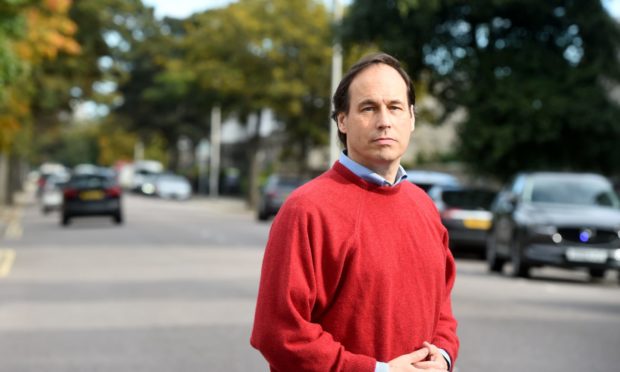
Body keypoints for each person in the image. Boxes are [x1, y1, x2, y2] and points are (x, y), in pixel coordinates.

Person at [250, 52, 459, 372]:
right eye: (368, 108)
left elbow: (441, 309)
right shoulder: (306, 210)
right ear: (342, 120)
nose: (384, 120)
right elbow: (279, 333)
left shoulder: (425, 208)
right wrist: (379, 371)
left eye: (395, 107)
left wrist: (442, 357)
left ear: (412, 118)